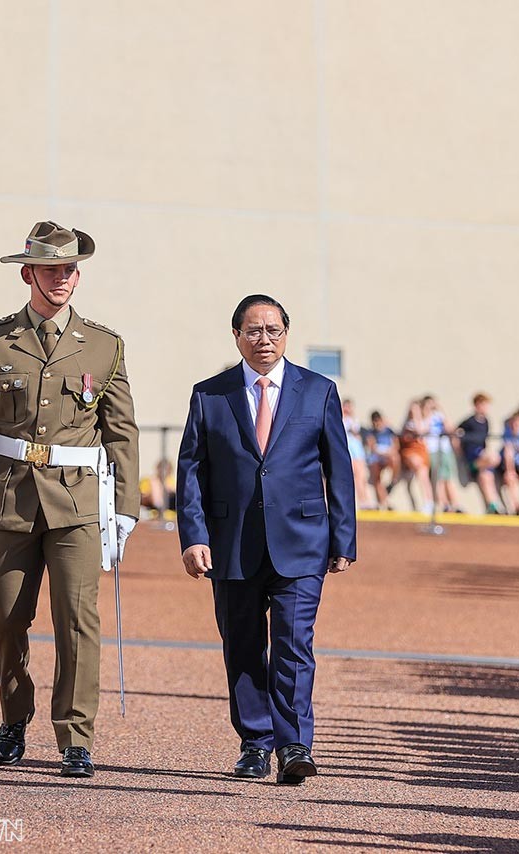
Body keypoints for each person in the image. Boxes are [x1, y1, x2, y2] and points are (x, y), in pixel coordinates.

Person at [0, 221, 140, 779]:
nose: (62, 278)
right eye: (51, 269)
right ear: (27, 273)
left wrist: (124, 505)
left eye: (71, 269)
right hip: (10, 495)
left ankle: (75, 736)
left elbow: (120, 430)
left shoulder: (104, 345)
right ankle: (14, 714)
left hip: (77, 501)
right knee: (5, 619)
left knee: (78, 621)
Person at [177, 293, 356, 786]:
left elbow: (338, 469)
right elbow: (191, 471)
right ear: (236, 335)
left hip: (302, 541)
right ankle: (255, 742)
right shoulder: (210, 394)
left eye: (273, 330)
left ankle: (295, 744)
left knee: (295, 644)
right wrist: (192, 536)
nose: (264, 340)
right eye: (253, 331)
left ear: (286, 335)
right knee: (243, 645)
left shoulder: (318, 390)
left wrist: (344, 538)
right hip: (230, 542)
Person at [458, 394, 502, 514]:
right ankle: (472, 466)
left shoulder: (486, 421)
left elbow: (485, 440)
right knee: (494, 458)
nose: (485, 407)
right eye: (483, 404)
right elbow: (456, 433)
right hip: (473, 454)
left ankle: (493, 505)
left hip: (482, 456)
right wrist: (460, 451)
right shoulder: (469, 421)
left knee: (486, 477)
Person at [422, 395, 462, 513]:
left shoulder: (439, 416)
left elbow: (450, 428)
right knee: (438, 477)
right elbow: (423, 429)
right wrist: (427, 412)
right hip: (432, 449)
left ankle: (455, 504)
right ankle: (443, 504)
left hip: (445, 449)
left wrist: (441, 410)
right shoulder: (424, 418)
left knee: (448, 477)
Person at [398, 401, 434, 513]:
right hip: (410, 451)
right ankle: (426, 503)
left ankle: (428, 502)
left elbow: (420, 430)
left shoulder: (423, 421)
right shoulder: (407, 423)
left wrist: (418, 415)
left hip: (421, 451)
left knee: (423, 476)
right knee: (418, 469)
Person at [342, 399, 374, 510]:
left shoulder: (354, 420)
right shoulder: (340, 419)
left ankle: (366, 499)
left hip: (357, 448)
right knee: (357, 475)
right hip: (349, 448)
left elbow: (357, 433)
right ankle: (362, 500)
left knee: (362, 475)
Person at [363, 410, 399, 510]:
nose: (377, 423)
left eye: (378, 420)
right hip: (376, 459)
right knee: (377, 479)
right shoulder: (371, 432)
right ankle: (385, 502)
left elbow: (396, 445)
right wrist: (384, 452)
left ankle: (393, 481)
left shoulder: (389, 431)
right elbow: (372, 447)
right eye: (375, 421)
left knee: (395, 458)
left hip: (388, 457)